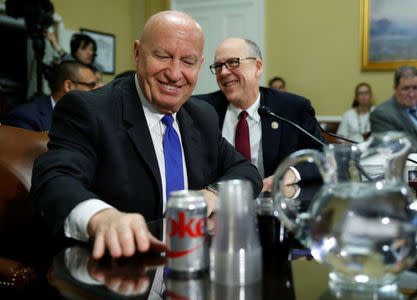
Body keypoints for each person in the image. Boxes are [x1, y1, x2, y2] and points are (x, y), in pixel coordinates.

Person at [29, 11, 262, 260]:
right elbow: (54, 179)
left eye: (188, 62)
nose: (174, 73)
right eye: (162, 56)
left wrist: (212, 194)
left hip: (193, 268)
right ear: (138, 54)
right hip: (117, 272)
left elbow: (246, 172)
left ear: (200, 64)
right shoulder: (89, 109)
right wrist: (100, 218)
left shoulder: (201, 115)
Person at [195, 38, 326, 191]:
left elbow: (322, 157)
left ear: (257, 67)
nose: (223, 72)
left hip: (272, 206)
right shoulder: (199, 110)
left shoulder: (292, 108)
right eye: (218, 66)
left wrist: (289, 174)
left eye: (232, 63)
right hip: (218, 207)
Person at [3, 61, 97, 131]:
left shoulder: (89, 115)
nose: (97, 89)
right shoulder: (26, 117)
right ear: (68, 86)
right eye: (91, 85)